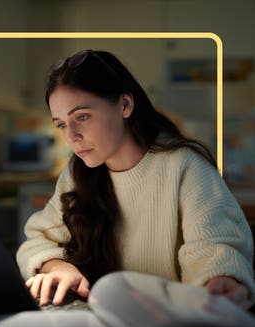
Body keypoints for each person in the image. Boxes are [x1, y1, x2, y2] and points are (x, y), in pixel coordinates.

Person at [16, 49, 255, 309]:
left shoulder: (184, 166)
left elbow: (215, 248)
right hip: (102, 326)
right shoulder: (78, 173)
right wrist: (57, 266)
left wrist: (220, 280)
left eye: (81, 117)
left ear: (125, 105)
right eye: (61, 124)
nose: (71, 136)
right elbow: (38, 239)